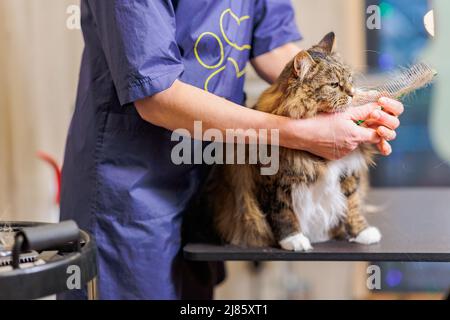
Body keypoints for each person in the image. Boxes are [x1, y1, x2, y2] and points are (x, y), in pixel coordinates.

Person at [60, 0, 403, 299]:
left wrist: (346, 104)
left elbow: (277, 51)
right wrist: (301, 133)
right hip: (131, 190)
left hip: (206, 179)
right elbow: (156, 97)